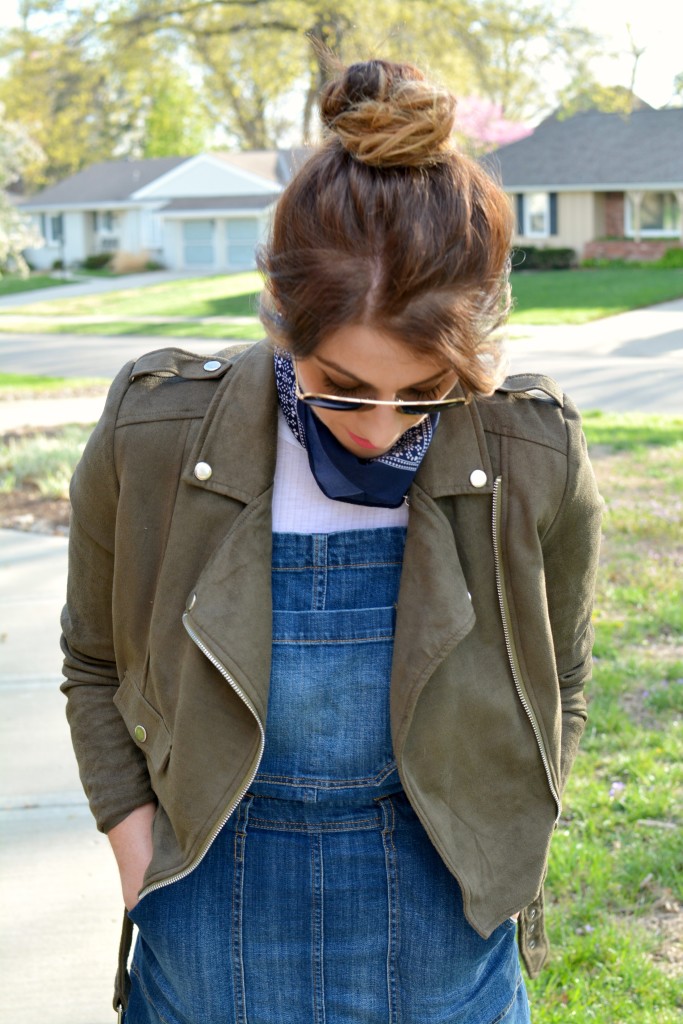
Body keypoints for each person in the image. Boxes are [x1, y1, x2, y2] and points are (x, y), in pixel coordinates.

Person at [61, 58, 602, 1024]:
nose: (383, 426)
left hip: (448, 935)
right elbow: (95, 661)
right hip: (207, 930)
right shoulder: (154, 434)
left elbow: (558, 677)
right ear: (280, 321)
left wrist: (508, 847)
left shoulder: (532, 448)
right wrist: (142, 866)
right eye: (342, 384)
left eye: (427, 390)